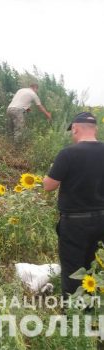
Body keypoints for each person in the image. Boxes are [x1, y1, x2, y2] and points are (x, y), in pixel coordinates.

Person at [43, 112, 104, 298]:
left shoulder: (68, 153)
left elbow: (48, 186)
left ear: (75, 128)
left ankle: (73, 315)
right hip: (102, 219)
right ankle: (93, 305)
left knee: (72, 269)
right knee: (94, 265)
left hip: (75, 223)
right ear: (96, 129)